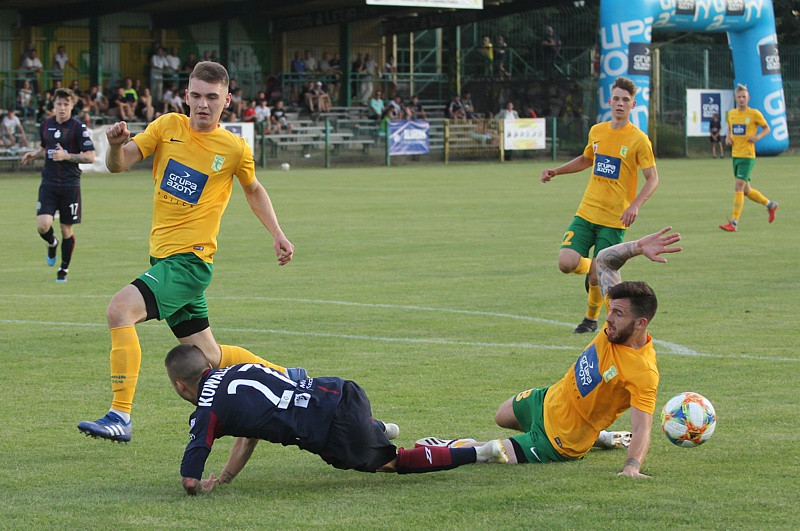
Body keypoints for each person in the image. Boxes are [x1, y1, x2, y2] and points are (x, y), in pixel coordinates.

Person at [77, 61, 294, 443]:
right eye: (196, 95)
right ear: (186, 95)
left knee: (119, 309)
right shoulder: (167, 126)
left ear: (226, 100)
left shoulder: (232, 147)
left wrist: (276, 233)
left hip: (190, 261)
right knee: (208, 356)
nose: (202, 105)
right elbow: (118, 164)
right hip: (164, 259)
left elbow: (253, 189)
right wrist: (112, 146)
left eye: (212, 97)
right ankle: (286, 377)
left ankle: (120, 415)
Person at [418, 227, 682, 478]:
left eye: (618, 313)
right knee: (501, 415)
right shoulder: (616, 327)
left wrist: (632, 467)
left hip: (562, 440)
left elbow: (642, 427)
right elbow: (603, 261)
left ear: (641, 323)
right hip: (548, 400)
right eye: (610, 309)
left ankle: (448, 445)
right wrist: (636, 247)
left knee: (493, 453)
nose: (608, 317)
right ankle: (602, 437)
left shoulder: (643, 372)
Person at [165, 344, 509, 495]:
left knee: (392, 463)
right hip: (338, 390)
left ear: (180, 385)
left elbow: (190, 479)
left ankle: (481, 452)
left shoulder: (207, 410)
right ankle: (375, 427)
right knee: (362, 432)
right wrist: (226, 477)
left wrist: (198, 486)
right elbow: (248, 433)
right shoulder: (237, 369)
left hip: (333, 427)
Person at [540, 77, 659, 334]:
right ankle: (591, 266)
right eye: (616, 98)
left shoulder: (639, 140)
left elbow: (653, 179)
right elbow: (586, 159)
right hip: (587, 212)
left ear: (633, 104)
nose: (620, 103)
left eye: (625, 100)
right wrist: (557, 171)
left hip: (615, 219)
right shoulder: (597, 131)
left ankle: (590, 319)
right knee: (566, 263)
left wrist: (635, 205)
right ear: (609, 101)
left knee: (598, 277)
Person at [21, 88, 95, 282]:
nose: (62, 108)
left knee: (66, 230)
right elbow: (45, 148)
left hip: (70, 185)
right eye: (59, 104)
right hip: (49, 183)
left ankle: (63, 269)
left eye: (66, 104)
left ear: (72, 105)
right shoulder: (46, 125)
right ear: (53, 105)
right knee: (43, 225)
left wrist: (66, 156)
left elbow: (90, 157)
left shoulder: (78, 128)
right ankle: (52, 243)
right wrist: (34, 154)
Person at [719, 84, 778, 232]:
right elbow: (730, 127)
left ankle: (733, 223)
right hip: (736, 155)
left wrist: (758, 136)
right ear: (735, 98)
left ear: (748, 98)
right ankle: (770, 204)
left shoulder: (754, 114)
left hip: (747, 155)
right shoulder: (731, 114)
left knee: (738, 185)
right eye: (739, 97)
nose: (741, 99)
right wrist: (728, 137)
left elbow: (767, 128)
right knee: (745, 190)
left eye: (744, 97)